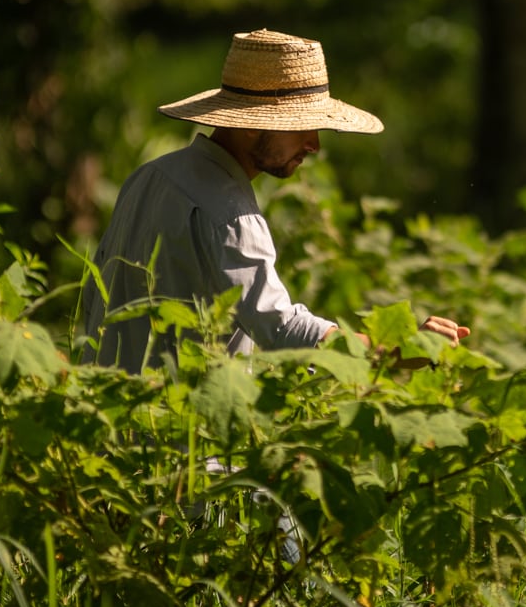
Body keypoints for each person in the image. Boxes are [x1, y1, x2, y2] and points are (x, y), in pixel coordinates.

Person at [81, 28, 466, 372]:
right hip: (182, 441)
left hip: (112, 429)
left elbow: (94, 301)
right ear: (250, 125)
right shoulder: (231, 215)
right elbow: (283, 330)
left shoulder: (148, 177)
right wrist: (395, 351)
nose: (314, 144)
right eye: (300, 126)